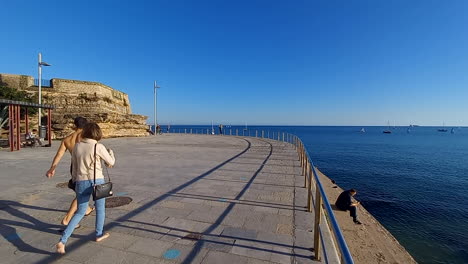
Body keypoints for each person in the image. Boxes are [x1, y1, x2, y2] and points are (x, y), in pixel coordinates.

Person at [56, 122, 115, 254]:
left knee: (80, 212)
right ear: (98, 133)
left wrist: (76, 182)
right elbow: (111, 162)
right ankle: (99, 234)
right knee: (100, 210)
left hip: (81, 181)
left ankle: (62, 241)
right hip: (97, 181)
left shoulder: (77, 146)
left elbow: (75, 167)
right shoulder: (98, 146)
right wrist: (111, 153)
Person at [46, 117, 94, 226]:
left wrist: (52, 168)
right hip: (85, 167)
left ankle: (86, 209)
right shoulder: (86, 138)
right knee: (83, 192)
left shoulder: (67, 139)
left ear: (75, 125)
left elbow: (59, 154)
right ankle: (67, 219)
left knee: (81, 190)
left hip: (74, 167)